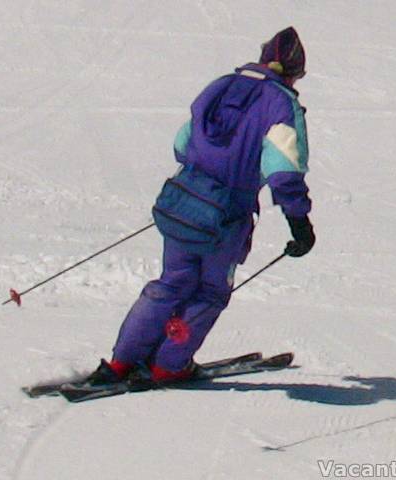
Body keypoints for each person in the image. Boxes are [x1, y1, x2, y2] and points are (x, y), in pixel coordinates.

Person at [87, 26, 316, 386]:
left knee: (171, 284)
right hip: (226, 216)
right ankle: (168, 364)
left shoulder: (221, 85)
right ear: (295, 71)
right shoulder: (281, 105)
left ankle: (121, 362)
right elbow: (283, 170)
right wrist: (300, 224)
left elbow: (182, 143)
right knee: (210, 291)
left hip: (183, 201)